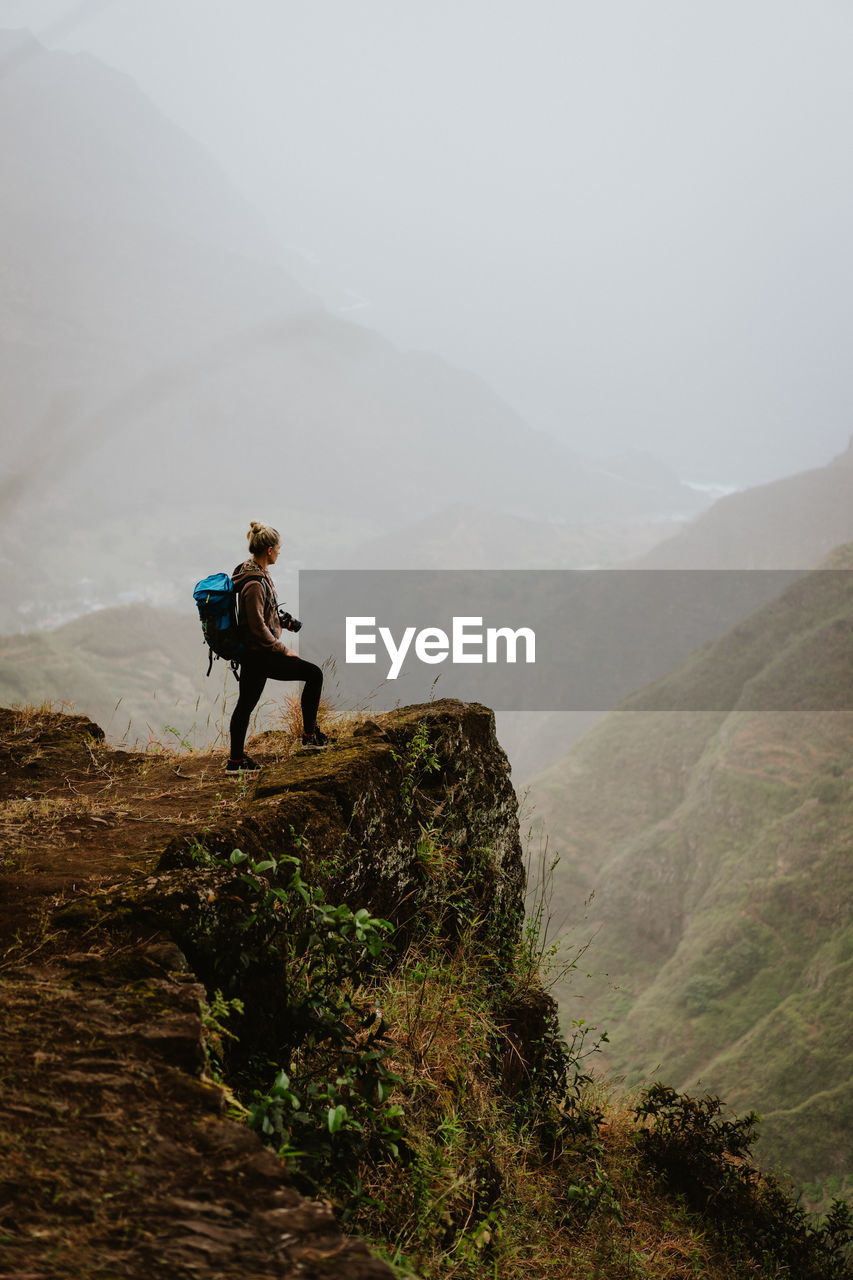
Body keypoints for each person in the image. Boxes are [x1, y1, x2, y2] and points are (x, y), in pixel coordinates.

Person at [226, 520, 330, 773]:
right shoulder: (253, 583)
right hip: (261, 654)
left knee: (245, 705)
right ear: (269, 550)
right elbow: (256, 627)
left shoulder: (255, 574)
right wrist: (283, 649)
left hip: (255, 655)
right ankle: (310, 738)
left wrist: (283, 621)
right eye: (279, 548)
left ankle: (236, 762)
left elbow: (263, 615)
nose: (280, 552)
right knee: (314, 674)